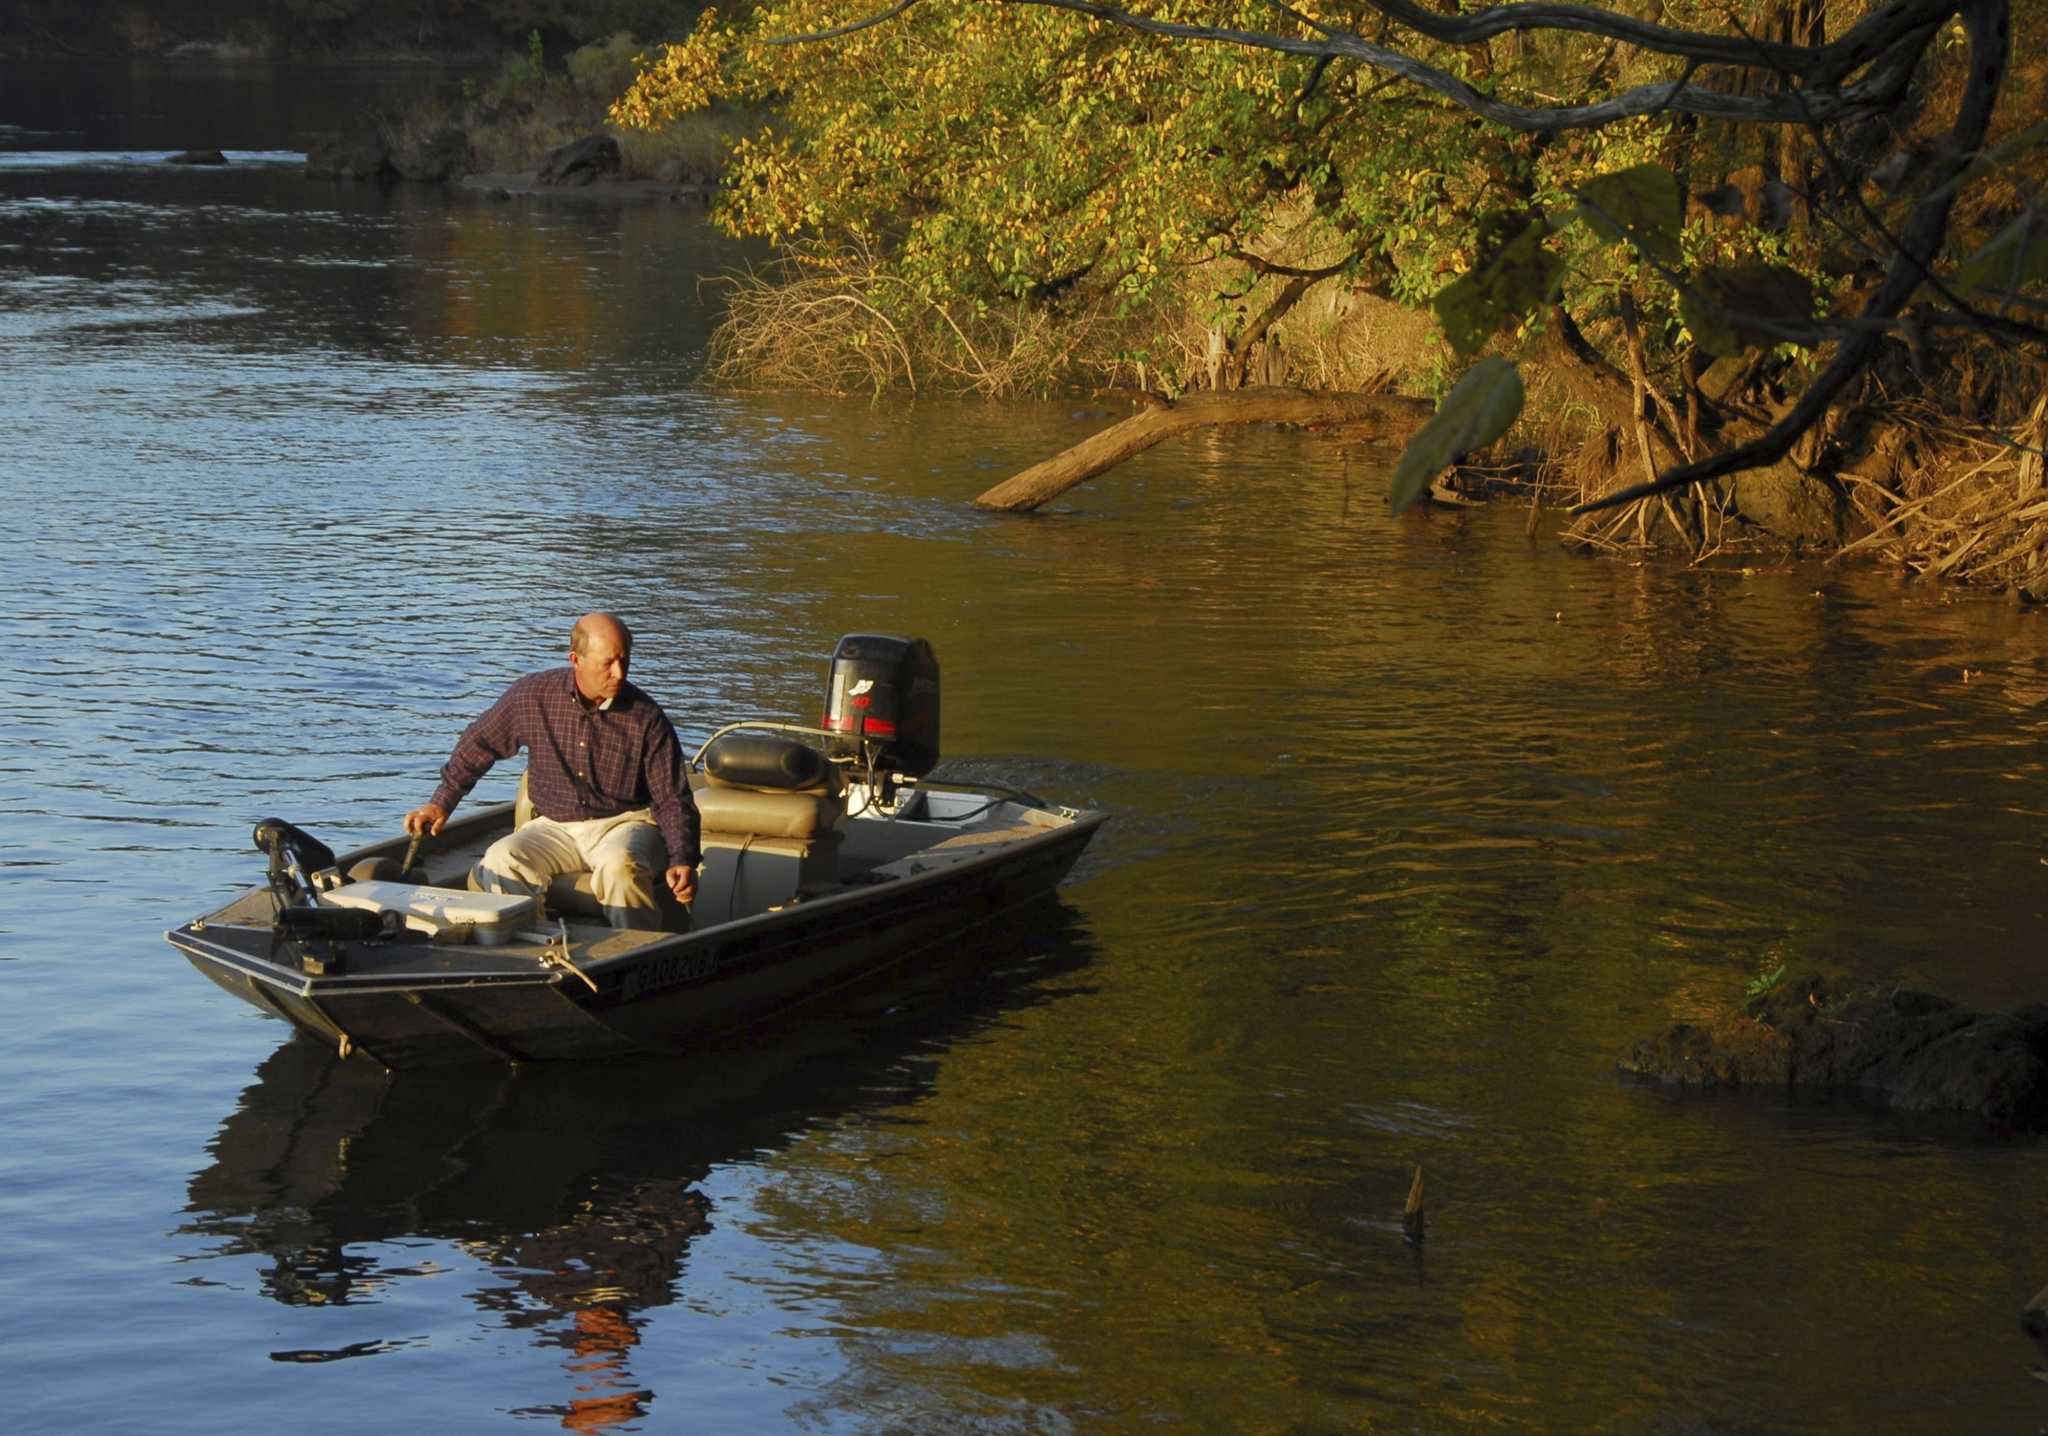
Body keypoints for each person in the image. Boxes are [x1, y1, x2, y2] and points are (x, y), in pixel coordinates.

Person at [405, 612, 700, 928]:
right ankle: (534, 946)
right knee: (502, 860)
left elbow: (672, 799)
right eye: (608, 663)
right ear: (576, 659)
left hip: (624, 824)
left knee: (620, 868)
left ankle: (634, 953)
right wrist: (441, 803)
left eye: (624, 661)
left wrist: (683, 858)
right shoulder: (534, 696)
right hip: (553, 826)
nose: (619, 673)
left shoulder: (648, 718)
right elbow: (479, 743)